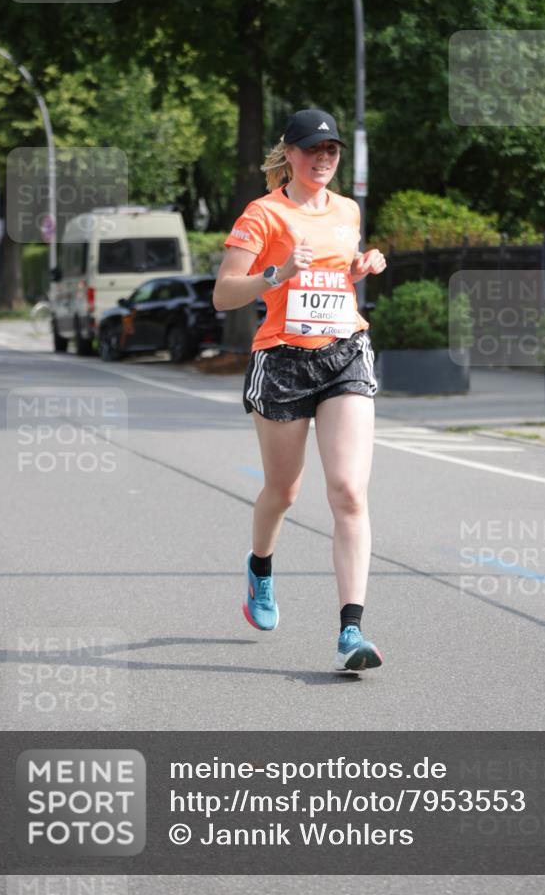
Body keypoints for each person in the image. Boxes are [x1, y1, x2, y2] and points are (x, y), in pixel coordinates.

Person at [213, 108, 387, 672]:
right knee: (283, 492)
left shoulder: (348, 210)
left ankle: (351, 630)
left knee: (348, 491)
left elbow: (334, 278)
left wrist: (360, 267)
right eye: (312, 149)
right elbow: (223, 295)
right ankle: (260, 568)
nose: (323, 159)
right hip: (282, 360)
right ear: (288, 153)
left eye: (331, 150)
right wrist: (276, 274)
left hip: (343, 353)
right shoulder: (262, 215)